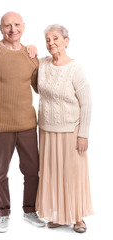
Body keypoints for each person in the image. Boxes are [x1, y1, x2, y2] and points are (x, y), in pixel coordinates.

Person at [0, 11, 45, 233]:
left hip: (27, 124)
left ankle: (29, 210)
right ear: (0, 28)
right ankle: (3, 213)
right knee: (0, 172)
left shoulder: (29, 54)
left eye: (16, 24)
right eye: (8, 26)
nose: (12, 29)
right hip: (0, 126)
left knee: (32, 170)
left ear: (23, 26)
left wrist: (37, 57)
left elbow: (37, 87)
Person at [33, 24, 94, 233]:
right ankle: (59, 215)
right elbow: (28, 63)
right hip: (47, 130)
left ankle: (77, 218)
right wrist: (31, 48)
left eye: (56, 38)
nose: (51, 43)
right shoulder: (42, 64)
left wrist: (83, 135)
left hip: (71, 131)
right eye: (48, 40)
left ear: (66, 41)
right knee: (51, 174)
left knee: (72, 174)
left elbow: (86, 102)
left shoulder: (74, 68)